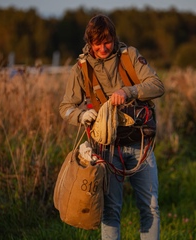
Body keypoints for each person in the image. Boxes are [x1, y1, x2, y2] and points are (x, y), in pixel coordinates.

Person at [59, 14, 165, 240]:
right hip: (106, 149)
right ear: (90, 42)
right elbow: (65, 107)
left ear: (114, 38)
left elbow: (157, 85)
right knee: (110, 211)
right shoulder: (80, 68)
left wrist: (129, 91)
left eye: (107, 41)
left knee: (151, 208)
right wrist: (81, 115)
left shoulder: (130, 56)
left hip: (140, 144)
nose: (103, 47)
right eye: (97, 43)